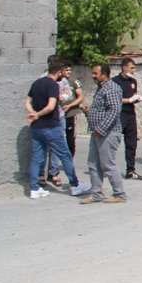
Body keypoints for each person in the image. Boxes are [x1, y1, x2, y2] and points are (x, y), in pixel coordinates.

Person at [25, 56, 88, 199]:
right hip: (50, 126)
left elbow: (27, 102)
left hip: (36, 128)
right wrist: (38, 114)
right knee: (64, 155)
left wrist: (33, 113)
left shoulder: (36, 83)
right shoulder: (53, 85)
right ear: (59, 72)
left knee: (36, 158)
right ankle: (75, 185)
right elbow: (51, 106)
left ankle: (34, 189)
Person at [80, 63, 127, 204]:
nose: (93, 76)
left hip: (108, 132)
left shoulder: (111, 88)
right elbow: (103, 110)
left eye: (96, 73)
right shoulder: (102, 88)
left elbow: (114, 110)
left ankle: (119, 194)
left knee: (107, 164)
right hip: (97, 132)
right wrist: (90, 113)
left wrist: (101, 129)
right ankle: (96, 194)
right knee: (93, 163)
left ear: (104, 74)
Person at [111, 58, 142, 180]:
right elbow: (113, 99)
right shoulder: (114, 82)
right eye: (132, 68)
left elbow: (133, 95)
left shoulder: (133, 81)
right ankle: (107, 168)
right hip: (118, 115)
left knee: (131, 143)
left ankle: (130, 170)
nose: (134, 71)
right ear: (125, 68)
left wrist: (137, 98)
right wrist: (128, 100)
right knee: (113, 142)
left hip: (130, 115)